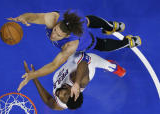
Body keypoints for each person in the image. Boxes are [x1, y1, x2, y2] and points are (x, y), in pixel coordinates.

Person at [8, 9, 141, 95]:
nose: (53, 35)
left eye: (58, 35)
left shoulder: (71, 45)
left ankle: (127, 42)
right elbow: (34, 17)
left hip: (87, 41)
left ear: (66, 36)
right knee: (86, 20)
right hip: (78, 19)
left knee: (102, 45)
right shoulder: (52, 19)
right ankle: (111, 26)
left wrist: (33, 75)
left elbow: (53, 65)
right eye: (54, 30)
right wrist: (22, 17)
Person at [20, 52, 126, 110]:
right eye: (66, 94)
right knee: (85, 58)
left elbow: (49, 101)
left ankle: (111, 67)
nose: (60, 94)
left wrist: (34, 77)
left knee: (76, 56)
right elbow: (84, 62)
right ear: (74, 91)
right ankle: (113, 67)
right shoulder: (80, 81)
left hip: (78, 61)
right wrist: (77, 82)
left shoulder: (61, 104)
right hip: (86, 64)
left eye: (62, 98)